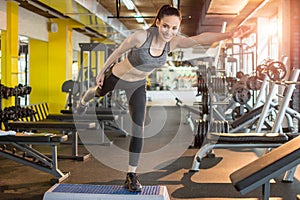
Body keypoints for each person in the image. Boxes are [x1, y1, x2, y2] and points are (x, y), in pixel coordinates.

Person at [76, 4, 252, 192]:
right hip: (118, 78)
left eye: (174, 28)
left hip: (138, 85)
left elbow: (200, 39)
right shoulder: (140, 37)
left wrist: (228, 35)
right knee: (96, 93)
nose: (169, 31)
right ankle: (82, 102)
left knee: (139, 128)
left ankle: (131, 175)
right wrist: (102, 71)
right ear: (158, 22)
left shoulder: (173, 43)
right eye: (166, 26)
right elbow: (118, 52)